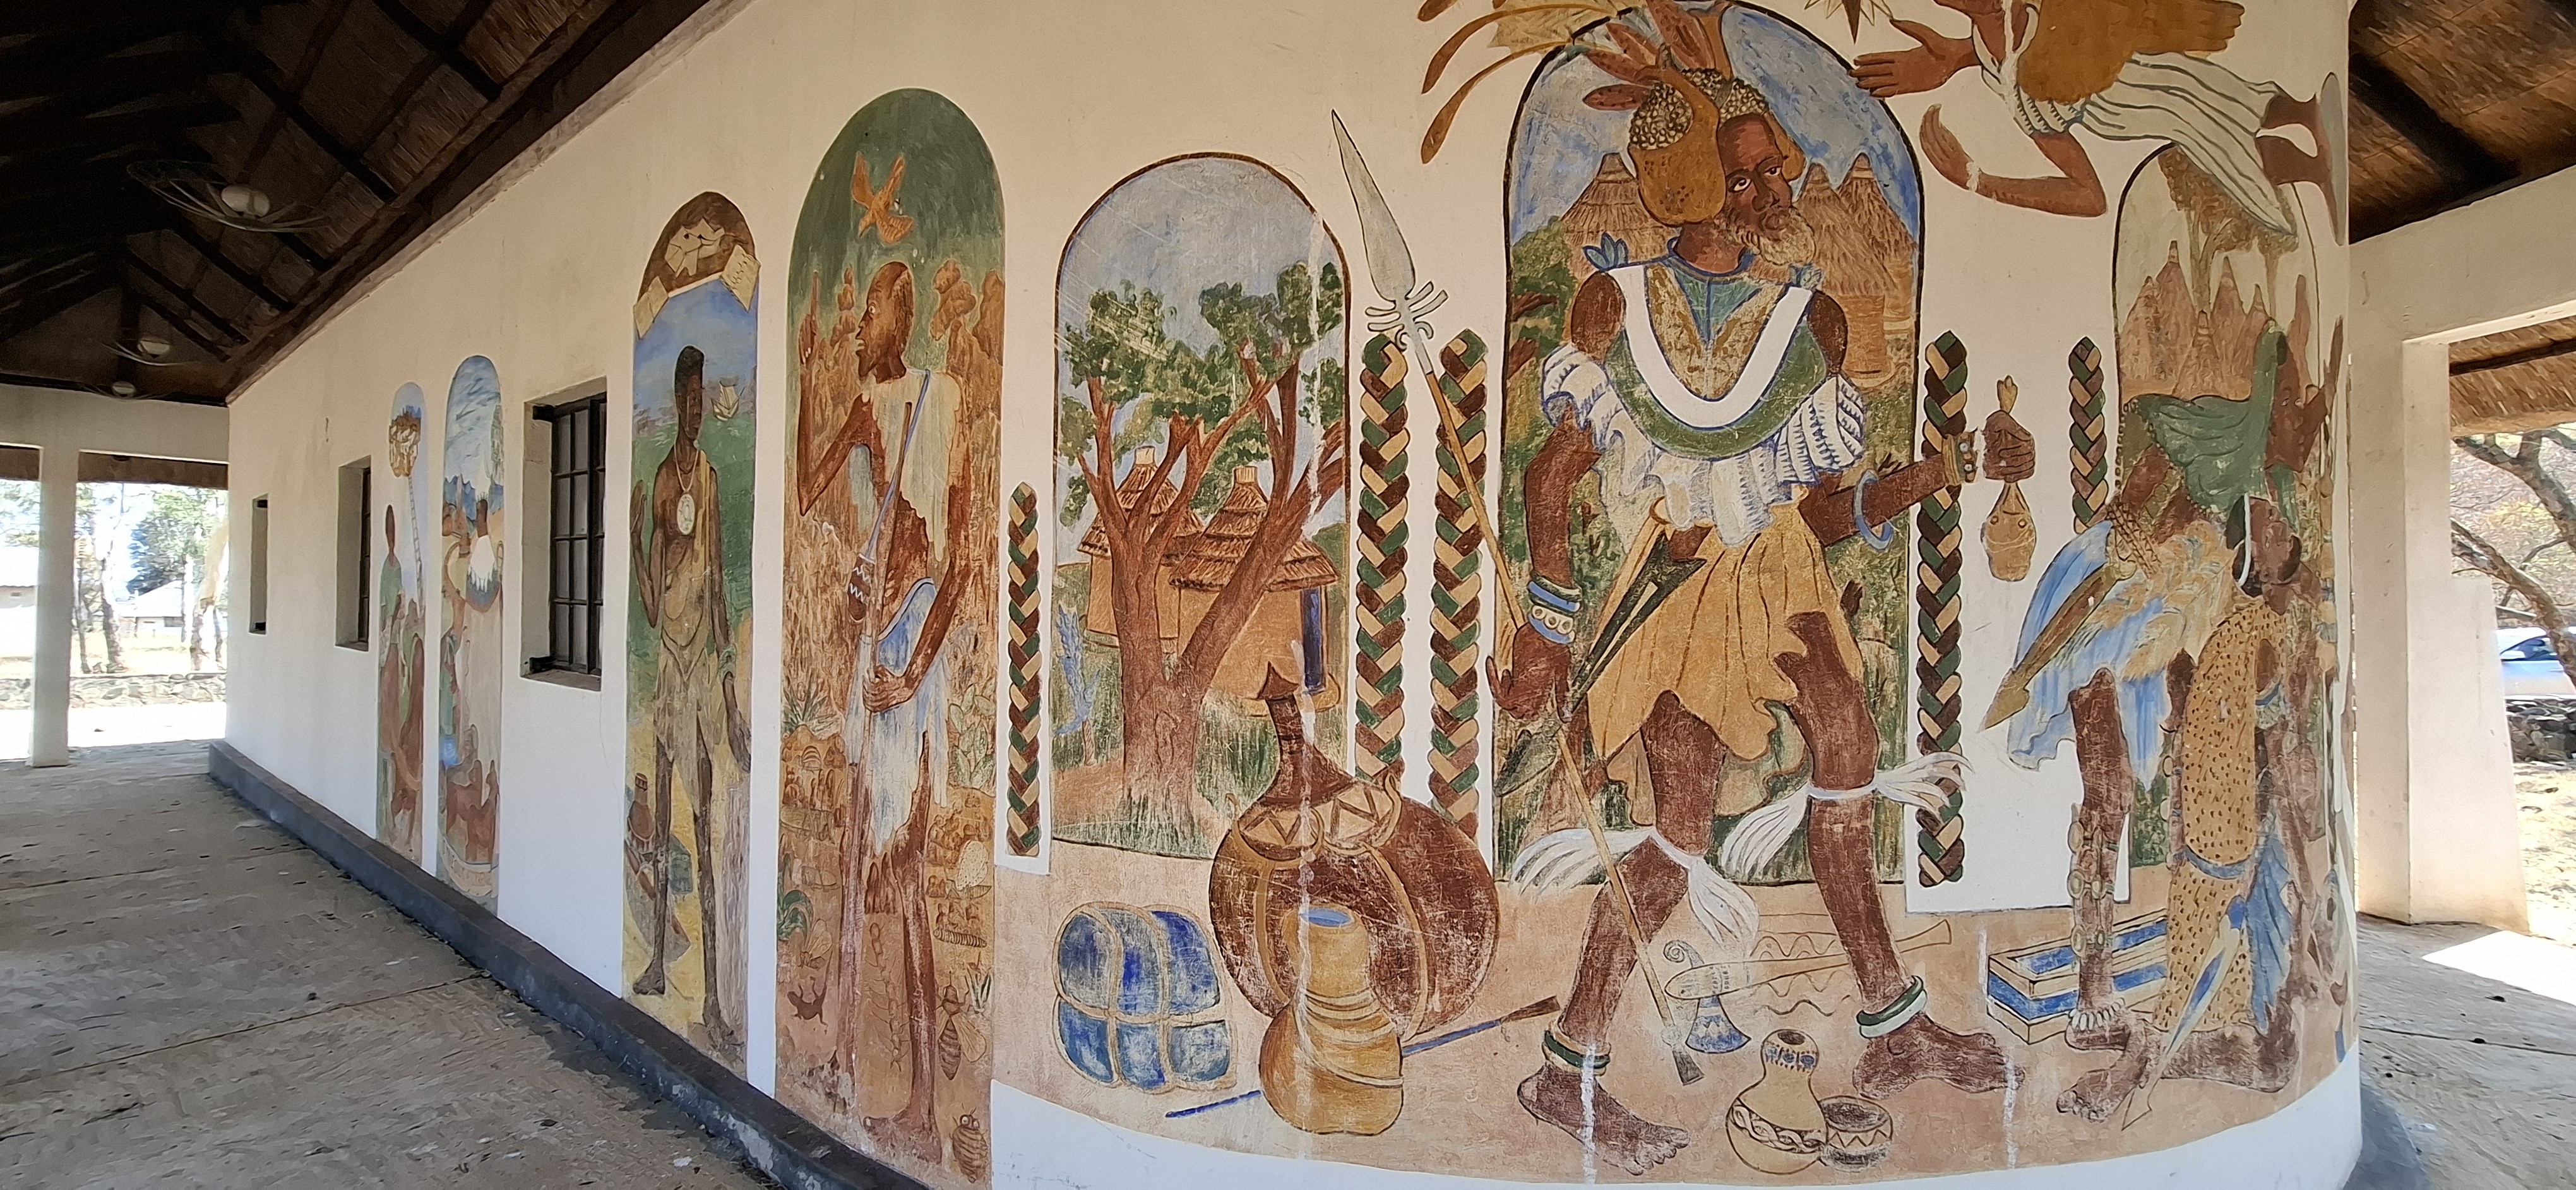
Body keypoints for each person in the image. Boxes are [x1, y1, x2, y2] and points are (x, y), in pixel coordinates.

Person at [1498, 6, 2030, 1173]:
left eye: (1773, 171)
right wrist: (1545, 627)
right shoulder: (1613, 308)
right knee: (1676, 833)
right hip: (1677, 592)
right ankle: (1568, 1063)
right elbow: (1553, 472)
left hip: (1783, 579)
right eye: (1746, 177)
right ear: (1688, 189)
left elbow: (1825, 513)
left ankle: (1892, 1024)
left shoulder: (1811, 323)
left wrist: (1933, 478)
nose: (1773, 191)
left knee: (1849, 750)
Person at [797, 259, 975, 1162]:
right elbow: (806, 487)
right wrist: (805, 378)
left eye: (866, 315)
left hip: (910, 656)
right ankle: (849, 1059)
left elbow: (962, 559)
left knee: (905, 878)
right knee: (857, 856)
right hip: (878, 648)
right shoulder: (871, 407)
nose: (857, 330)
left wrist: (911, 676)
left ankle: (927, 1110)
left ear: (896, 322)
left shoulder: (945, 402)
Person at [1849, 0, 2337, 236]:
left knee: (2234, 110)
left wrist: (1956, 57)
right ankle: (2314, 165)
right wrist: (1979, 179)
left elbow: (2026, 42)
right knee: (2232, 140)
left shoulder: (2044, 31)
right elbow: (2089, 196)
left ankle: (2308, 121)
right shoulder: (2019, 89)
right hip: (2168, 109)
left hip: (2169, 86)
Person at [629, 345, 748, 1056]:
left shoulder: (709, 478)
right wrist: (637, 540)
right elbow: (650, 607)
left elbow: (723, 591)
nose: (699, 411)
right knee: (666, 819)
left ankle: (712, 1000)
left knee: (703, 828)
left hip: (701, 666)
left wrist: (730, 695)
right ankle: (654, 963)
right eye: (692, 400)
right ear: (677, 401)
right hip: (668, 668)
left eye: (705, 400)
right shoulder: (660, 480)